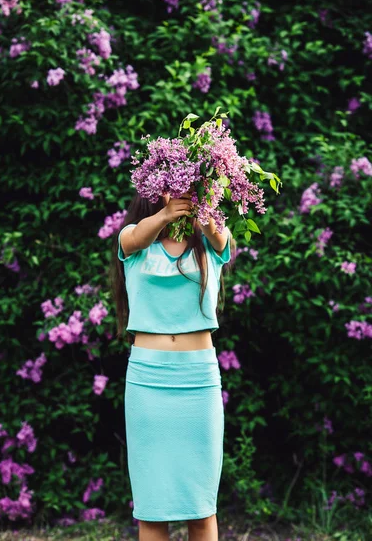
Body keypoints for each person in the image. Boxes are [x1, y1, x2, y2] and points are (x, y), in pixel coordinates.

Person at [110, 188, 236, 541]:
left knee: (201, 508)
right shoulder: (134, 240)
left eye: (187, 189)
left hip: (199, 381)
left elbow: (221, 236)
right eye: (170, 188)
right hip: (148, 382)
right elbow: (132, 237)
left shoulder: (209, 241)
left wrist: (203, 211)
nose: (179, 195)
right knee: (153, 510)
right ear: (153, 193)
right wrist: (165, 216)